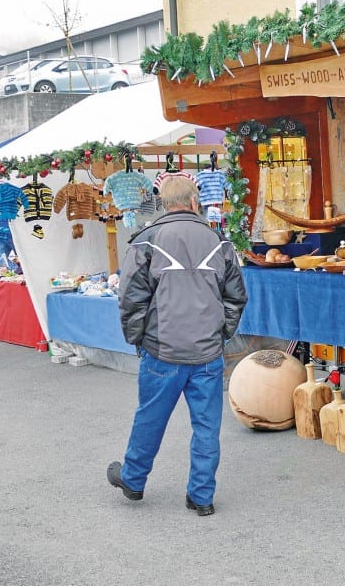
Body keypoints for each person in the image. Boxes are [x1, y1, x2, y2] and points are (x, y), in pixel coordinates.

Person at [108, 174, 248, 516]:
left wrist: (137, 338)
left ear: (163, 203)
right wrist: (221, 334)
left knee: (150, 419)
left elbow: (130, 298)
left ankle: (133, 480)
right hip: (207, 353)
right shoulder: (220, 242)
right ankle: (202, 496)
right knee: (206, 427)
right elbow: (236, 298)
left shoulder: (146, 241)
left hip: (162, 351)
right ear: (194, 201)